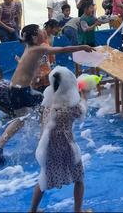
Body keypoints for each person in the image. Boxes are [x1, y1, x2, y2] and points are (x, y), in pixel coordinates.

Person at [0, 24, 94, 165]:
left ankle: (0, 145)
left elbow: (28, 51)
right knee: (46, 107)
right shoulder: (39, 48)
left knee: (22, 118)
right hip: (21, 91)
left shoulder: (29, 47)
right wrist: (82, 47)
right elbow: (62, 49)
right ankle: (43, 144)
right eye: (39, 32)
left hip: (14, 89)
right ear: (34, 37)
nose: (43, 33)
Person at [30, 67, 87, 213]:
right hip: (66, 146)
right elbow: (82, 113)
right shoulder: (70, 105)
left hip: (47, 146)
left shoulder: (48, 101)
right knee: (79, 177)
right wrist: (84, 95)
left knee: (44, 180)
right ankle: (78, 210)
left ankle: (33, 210)